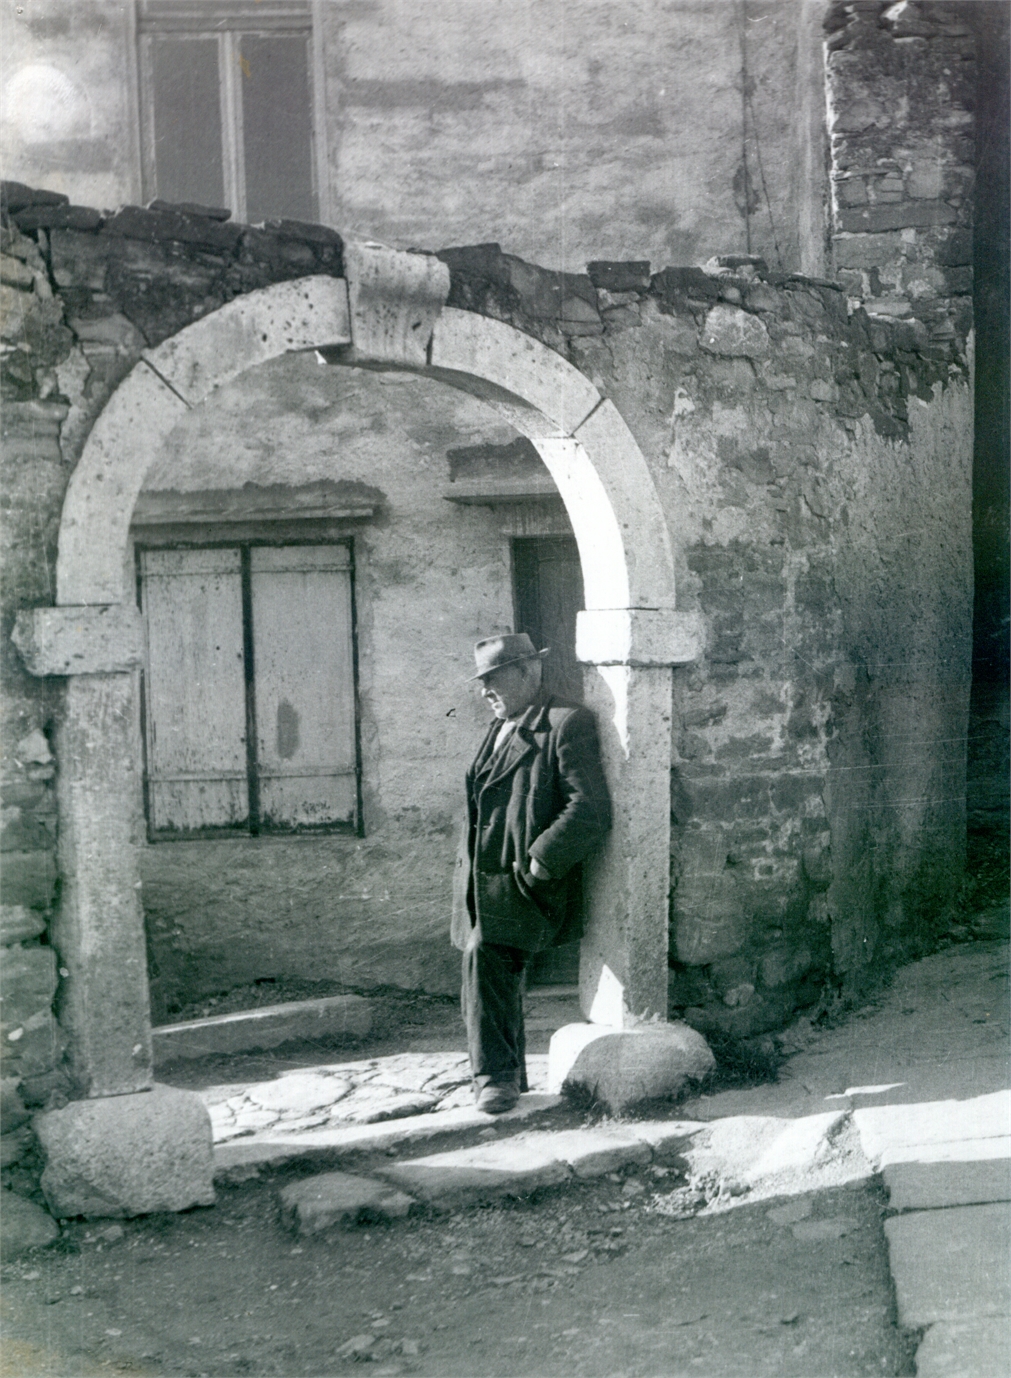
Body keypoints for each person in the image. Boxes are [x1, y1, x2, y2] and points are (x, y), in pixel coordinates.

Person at [451, 633, 611, 1113]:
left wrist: (541, 861)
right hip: (485, 876)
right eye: (482, 682)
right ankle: (508, 1075)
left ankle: (495, 1079)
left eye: (493, 679)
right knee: (491, 968)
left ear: (526, 671)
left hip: (524, 878)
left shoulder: (565, 722)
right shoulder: (501, 725)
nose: (485, 691)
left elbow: (589, 807)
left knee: (486, 958)